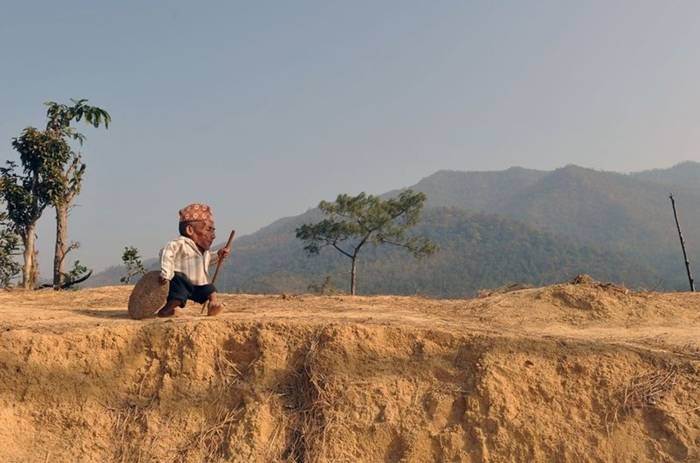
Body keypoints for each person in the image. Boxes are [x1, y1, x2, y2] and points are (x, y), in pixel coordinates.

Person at [156, 203, 230, 317]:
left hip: (198, 283)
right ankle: (167, 310)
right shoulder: (179, 244)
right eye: (209, 230)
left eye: (213, 231)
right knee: (178, 297)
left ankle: (212, 305)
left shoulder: (203, 251)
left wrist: (219, 255)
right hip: (181, 281)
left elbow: (208, 259)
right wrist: (166, 273)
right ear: (190, 230)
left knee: (210, 290)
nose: (213, 236)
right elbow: (167, 254)